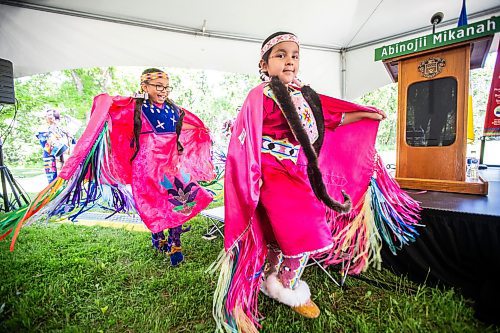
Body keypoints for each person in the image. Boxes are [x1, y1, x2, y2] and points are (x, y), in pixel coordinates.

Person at [212, 32, 421, 332]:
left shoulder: (302, 93)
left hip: (296, 173)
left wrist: (365, 114)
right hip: (270, 176)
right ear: (264, 62)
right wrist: (250, 180)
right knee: (303, 235)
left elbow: (330, 119)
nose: (289, 61)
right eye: (281, 55)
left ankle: (275, 284)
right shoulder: (259, 96)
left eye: (294, 55)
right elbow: (243, 138)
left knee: (281, 237)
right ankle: (258, 296)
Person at [2, 68, 215, 267]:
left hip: (170, 168)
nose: (163, 90)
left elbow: (188, 124)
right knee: (156, 206)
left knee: (181, 202)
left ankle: (175, 242)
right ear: (144, 86)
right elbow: (109, 111)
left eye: (167, 86)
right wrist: (106, 103)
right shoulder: (136, 107)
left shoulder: (173, 110)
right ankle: (158, 237)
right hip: (147, 169)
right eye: (158, 85)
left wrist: (202, 129)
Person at [36, 109, 74, 183]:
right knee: (52, 180)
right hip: (50, 157)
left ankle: (65, 194)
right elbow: (43, 142)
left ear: (56, 116)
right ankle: (53, 193)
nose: (48, 117)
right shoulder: (43, 128)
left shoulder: (63, 128)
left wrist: (69, 135)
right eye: (47, 115)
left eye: (50, 114)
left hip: (64, 157)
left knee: (64, 180)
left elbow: (71, 142)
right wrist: (49, 132)